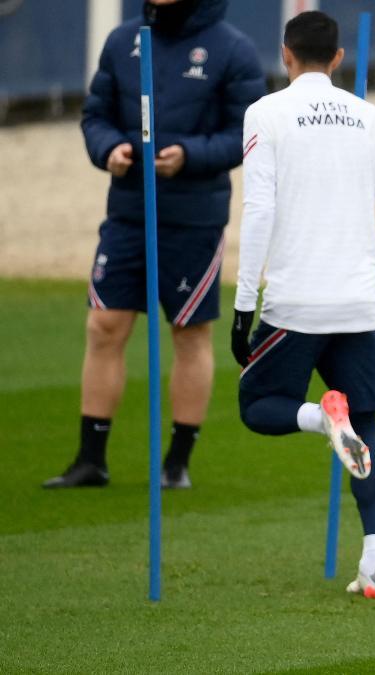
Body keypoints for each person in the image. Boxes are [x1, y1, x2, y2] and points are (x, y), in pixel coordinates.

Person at [231, 10, 375, 599]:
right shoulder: (371, 116)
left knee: (258, 403)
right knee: (369, 433)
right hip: (362, 306)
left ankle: (319, 419)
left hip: (295, 307)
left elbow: (259, 211)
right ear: (338, 59)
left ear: (285, 55)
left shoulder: (264, 113)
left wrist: (242, 305)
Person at [45, 0, 265, 489]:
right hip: (127, 214)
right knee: (104, 325)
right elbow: (94, 116)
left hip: (194, 219)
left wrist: (189, 155)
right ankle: (90, 460)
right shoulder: (123, 41)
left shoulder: (234, 49)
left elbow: (246, 136)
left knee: (189, 333)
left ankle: (176, 464)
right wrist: (109, 149)